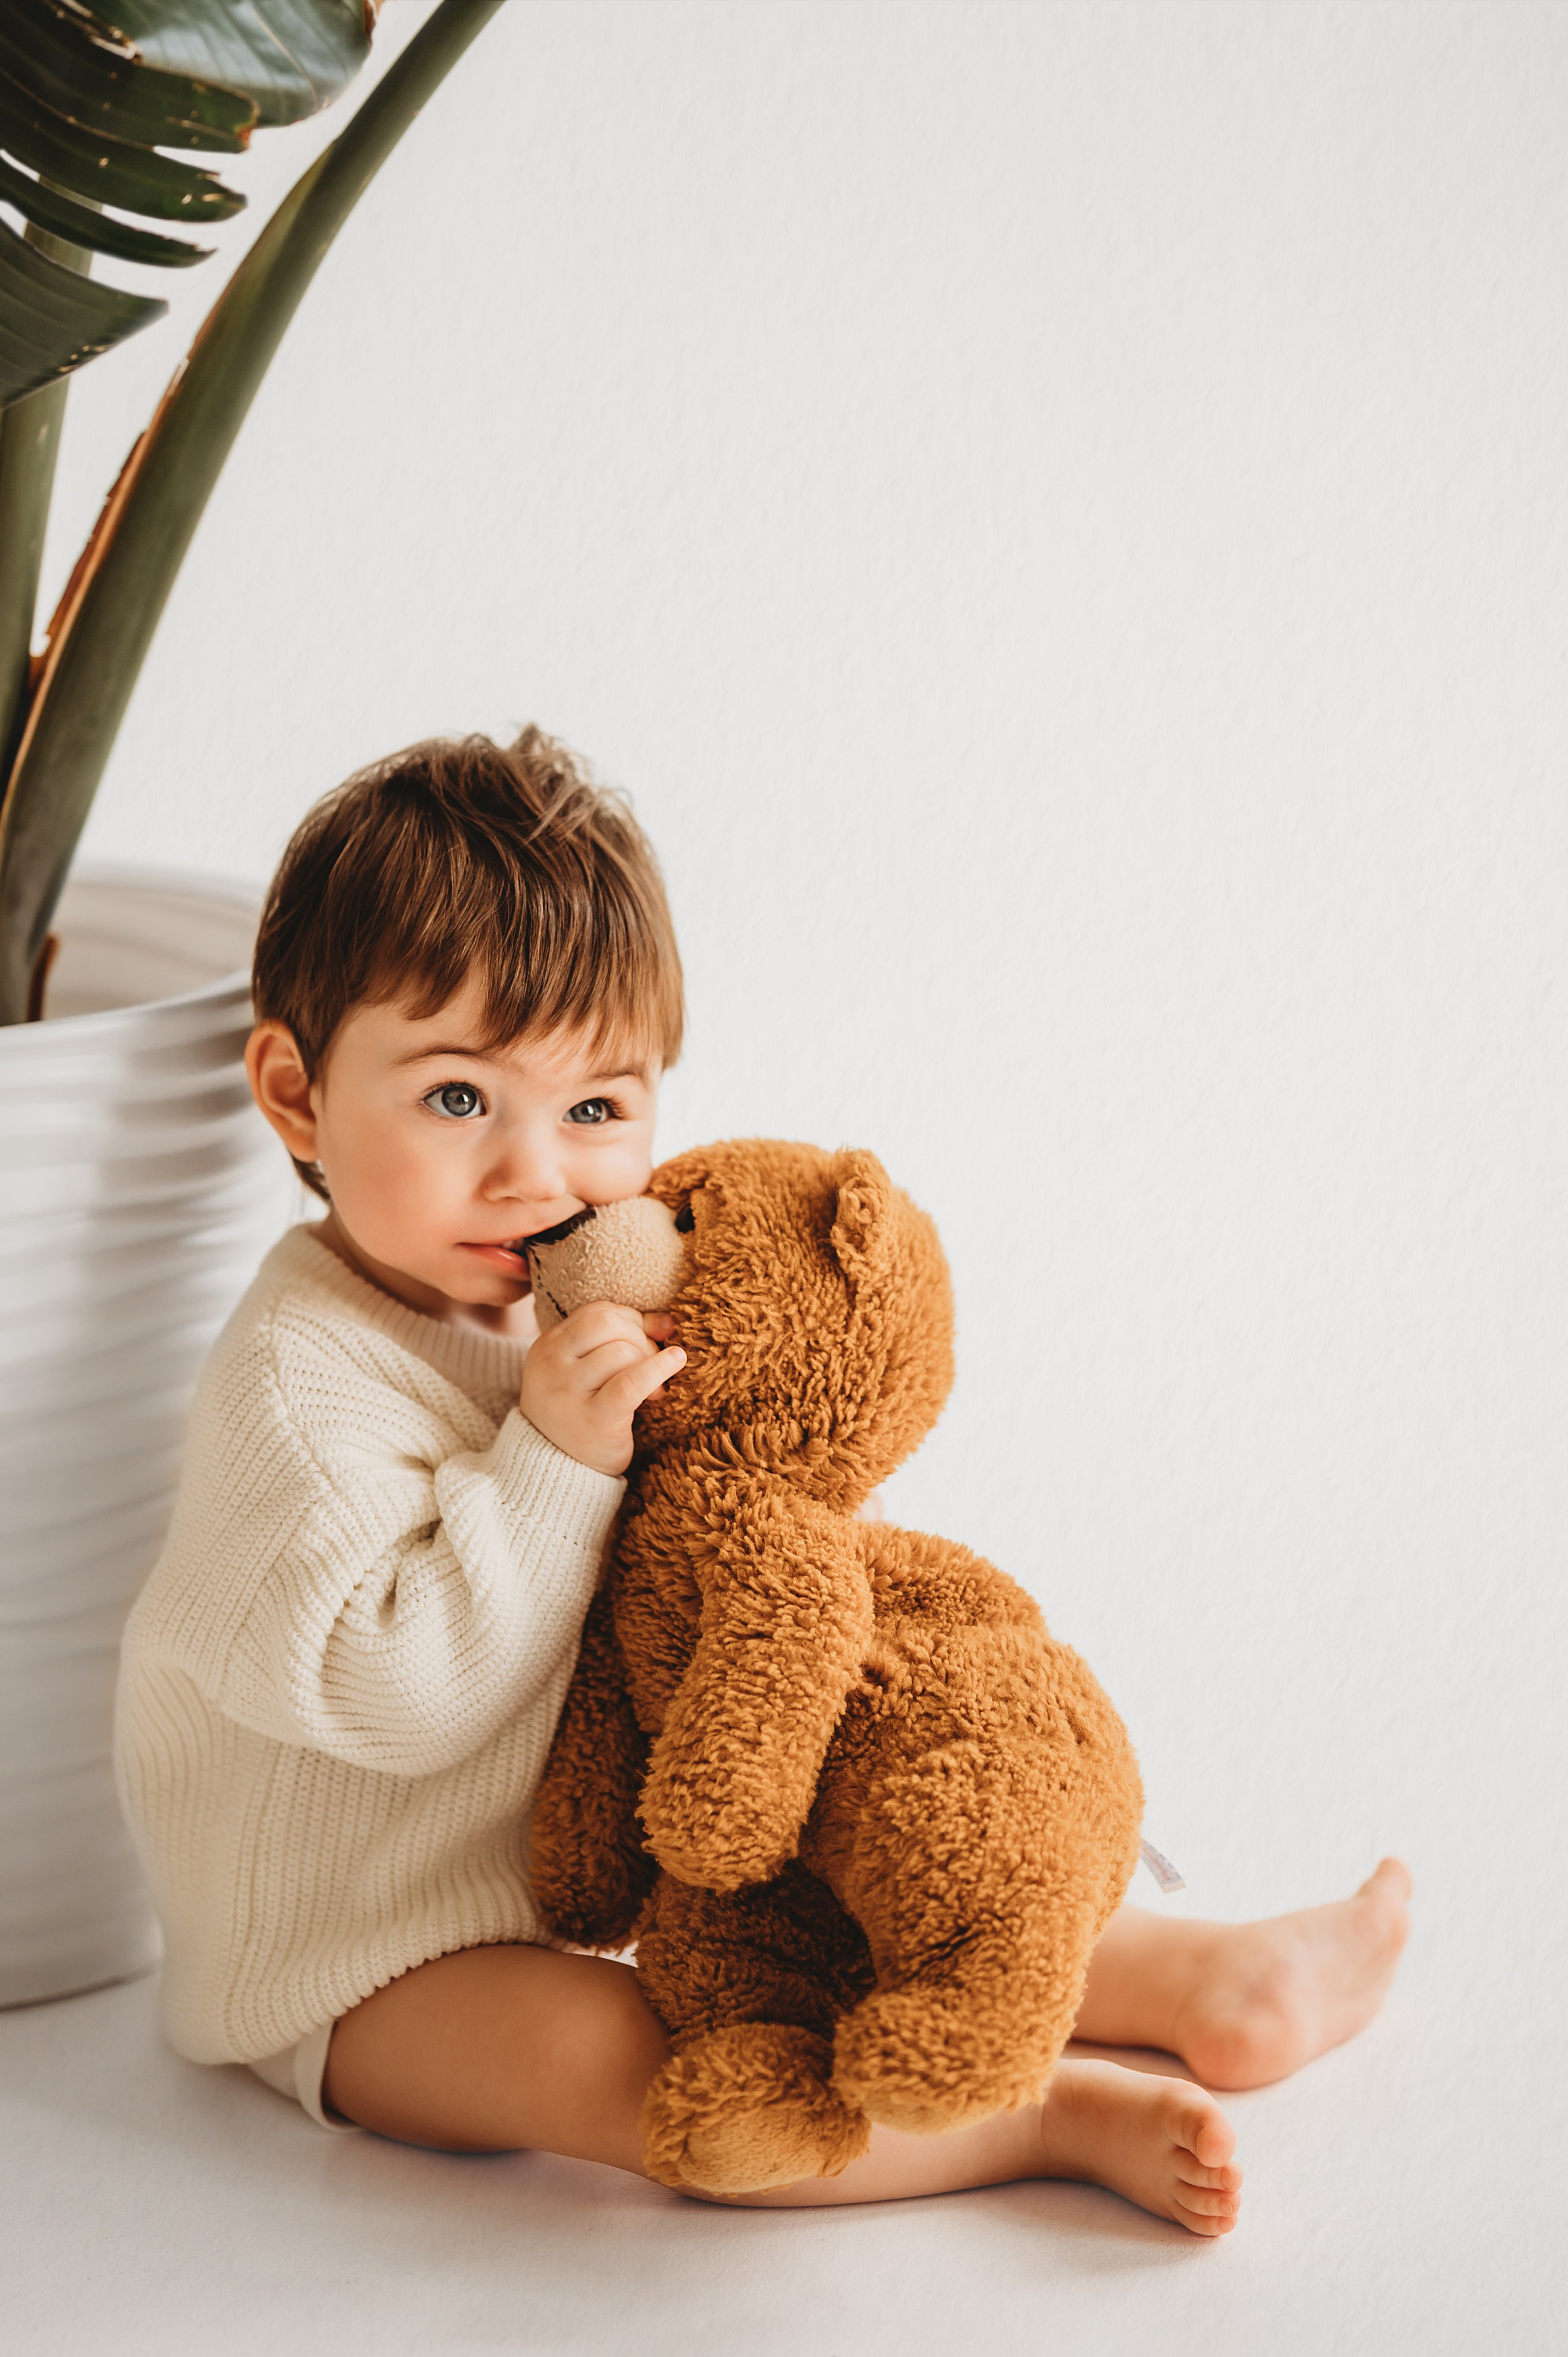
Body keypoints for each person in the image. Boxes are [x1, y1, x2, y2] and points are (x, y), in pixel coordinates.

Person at [114, 726, 1411, 2239]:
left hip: (607, 1870)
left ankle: (1196, 1974)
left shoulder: (568, 1304)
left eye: (596, 1109)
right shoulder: (299, 1382)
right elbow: (393, 1693)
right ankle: (1039, 2115)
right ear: (295, 1092)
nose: (540, 1175)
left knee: (874, 1874)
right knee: (640, 2066)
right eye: (460, 1099)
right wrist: (551, 1460)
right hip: (358, 1948)